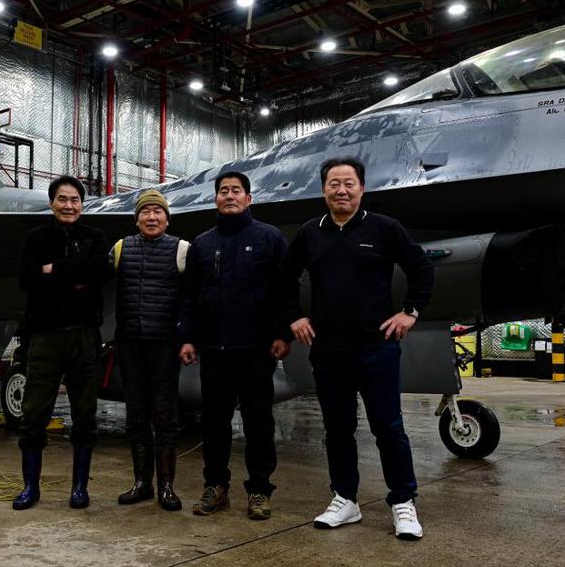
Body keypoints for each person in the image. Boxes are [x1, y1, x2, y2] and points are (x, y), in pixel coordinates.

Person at [280, 156, 433, 540]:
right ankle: (345, 499)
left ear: (362, 188)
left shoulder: (384, 228)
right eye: (334, 183)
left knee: (388, 428)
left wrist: (410, 313)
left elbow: (421, 267)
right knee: (337, 430)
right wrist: (294, 317)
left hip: (376, 348)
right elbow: (283, 277)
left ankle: (403, 501)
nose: (342, 190)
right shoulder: (310, 233)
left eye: (349, 183)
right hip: (329, 351)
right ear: (323, 189)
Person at [178, 171, 291, 521]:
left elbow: (285, 292)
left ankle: (259, 489)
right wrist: (186, 337)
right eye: (223, 191)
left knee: (259, 423)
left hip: (257, 350)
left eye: (236, 191)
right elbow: (190, 296)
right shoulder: (202, 244)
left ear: (249, 198)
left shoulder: (270, 239)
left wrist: (283, 335)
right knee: (214, 423)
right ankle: (216, 487)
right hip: (214, 350)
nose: (229, 195)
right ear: (215, 199)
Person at [13, 175, 110, 511]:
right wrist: (75, 276)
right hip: (45, 337)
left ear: (82, 205)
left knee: (85, 414)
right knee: (34, 412)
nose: (69, 206)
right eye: (62, 199)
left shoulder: (95, 237)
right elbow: (28, 279)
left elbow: (100, 271)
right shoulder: (36, 238)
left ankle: (80, 489)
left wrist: (56, 270)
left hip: (84, 336)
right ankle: (30, 488)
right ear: (52, 202)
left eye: (75, 200)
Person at [111, 190, 190, 511]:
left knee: (165, 415)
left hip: (164, 346)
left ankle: (167, 487)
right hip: (130, 344)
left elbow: (191, 299)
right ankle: (142, 483)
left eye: (158, 212)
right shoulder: (120, 249)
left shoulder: (182, 250)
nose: (152, 217)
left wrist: (188, 336)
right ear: (137, 218)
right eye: (146, 212)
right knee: (136, 415)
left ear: (167, 219)